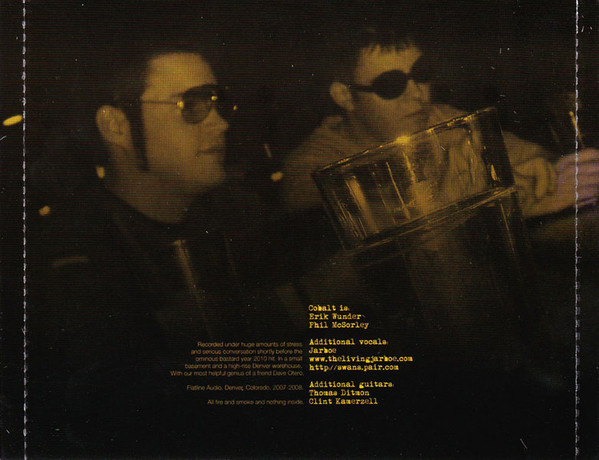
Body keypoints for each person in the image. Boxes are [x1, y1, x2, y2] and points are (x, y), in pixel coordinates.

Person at [26, 30, 288, 456]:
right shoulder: (70, 254)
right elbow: (116, 403)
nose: (221, 122)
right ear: (116, 126)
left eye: (218, 102)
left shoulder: (239, 215)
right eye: (193, 104)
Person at [281, 25, 599, 219]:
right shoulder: (312, 168)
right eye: (390, 85)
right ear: (345, 96)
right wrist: (507, 202)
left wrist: (554, 171)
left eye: (421, 75)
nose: (418, 95)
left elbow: (533, 159)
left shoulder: (442, 118)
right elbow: (383, 234)